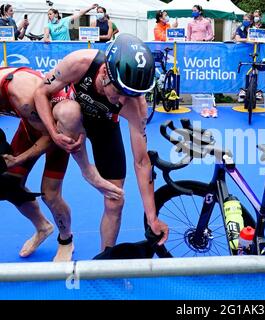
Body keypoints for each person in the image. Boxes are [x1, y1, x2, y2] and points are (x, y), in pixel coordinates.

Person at [34, 33, 169, 251]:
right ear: (105, 72)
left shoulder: (135, 106)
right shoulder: (79, 62)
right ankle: (88, 171)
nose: (123, 100)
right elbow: (40, 91)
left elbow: (142, 162)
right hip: (69, 118)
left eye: (131, 94)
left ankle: (106, 259)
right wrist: (53, 131)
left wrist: (152, 218)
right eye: (119, 91)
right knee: (69, 111)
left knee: (115, 200)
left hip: (105, 125)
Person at [0, 66, 123, 261]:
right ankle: (43, 227)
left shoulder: (21, 97)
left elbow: (50, 137)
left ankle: (66, 239)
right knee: (6, 185)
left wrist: (16, 159)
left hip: (57, 132)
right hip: (30, 127)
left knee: (50, 195)